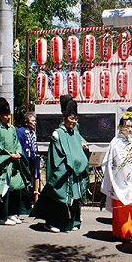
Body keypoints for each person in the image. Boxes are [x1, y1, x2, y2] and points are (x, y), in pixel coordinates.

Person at [31, 95, 89, 233]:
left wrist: (83, 147)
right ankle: (52, 223)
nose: (73, 122)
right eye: (71, 118)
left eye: (75, 119)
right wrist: (68, 165)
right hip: (63, 171)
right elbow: (56, 157)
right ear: (64, 118)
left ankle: (73, 221)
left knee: (75, 196)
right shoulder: (57, 133)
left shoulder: (75, 132)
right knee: (59, 197)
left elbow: (79, 141)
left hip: (75, 171)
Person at [100, 112, 132, 240]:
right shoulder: (115, 142)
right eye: (126, 126)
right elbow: (109, 162)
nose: (129, 129)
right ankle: (123, 232)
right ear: (120, 127)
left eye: (131, 126)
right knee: (121, 206)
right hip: (119, 179)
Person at [16, 112, 40, 204]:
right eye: (32, 121)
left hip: (33, 160)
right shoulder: (21, 132)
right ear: (26, 122)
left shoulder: (33, 133)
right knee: (24, 179)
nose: (34, 123)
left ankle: (30, 199)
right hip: (24, 160)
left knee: (32, 179)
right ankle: (24, 201)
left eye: (35, 121)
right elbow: (19, 146)